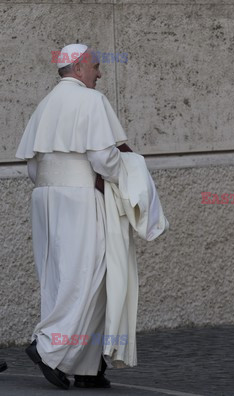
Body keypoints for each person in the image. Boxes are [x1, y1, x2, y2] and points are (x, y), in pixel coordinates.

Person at [17, 43, 135, 390]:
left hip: (45, 198)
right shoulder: (91, 101)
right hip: (80, 198)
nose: (99, 73)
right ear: (80, 67)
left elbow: (33, 165)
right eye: (96, 66)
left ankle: (86, 368)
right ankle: (47, 348)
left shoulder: (45, 104)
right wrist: (129, 174)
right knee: (89, 276)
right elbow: (102, 157)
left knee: (57, 278)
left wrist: (55, 186)